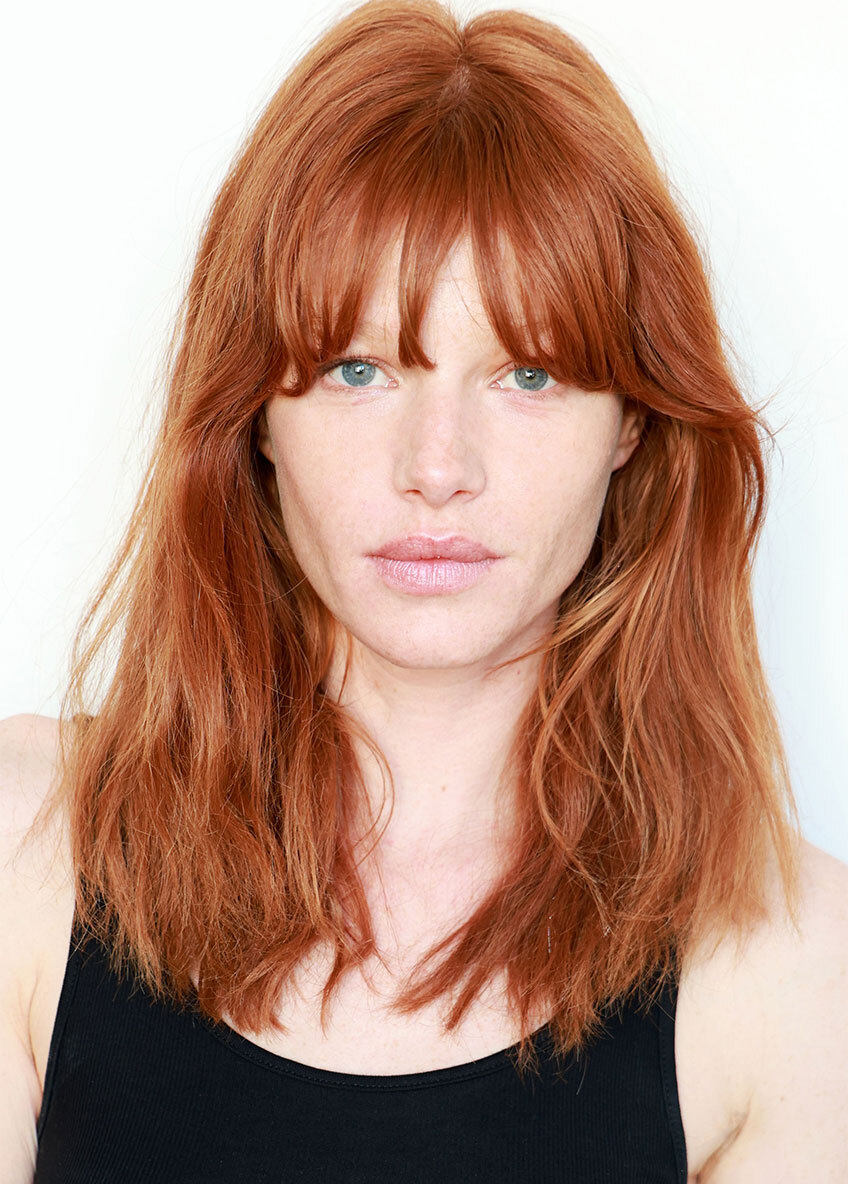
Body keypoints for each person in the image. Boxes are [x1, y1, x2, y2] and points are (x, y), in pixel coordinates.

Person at [2, 0, 846, 1179]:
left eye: (529, 373)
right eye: (359, 368)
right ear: (255, 415)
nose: (437, 467)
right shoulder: (24, 843)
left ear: (631, 423)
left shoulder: (796, 971)